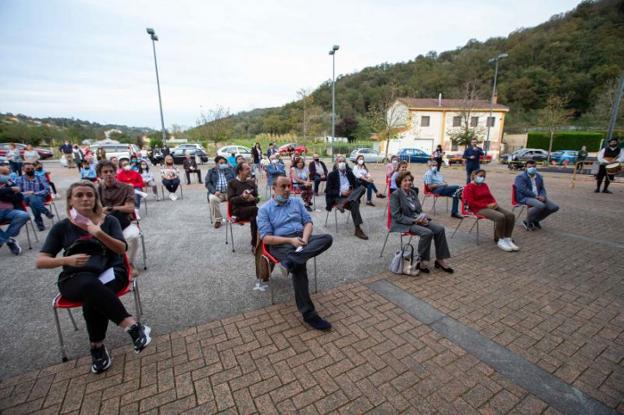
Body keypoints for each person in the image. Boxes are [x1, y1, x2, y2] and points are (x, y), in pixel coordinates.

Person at [36, 181, 151, 374]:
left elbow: (121, 249)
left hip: (112, 272)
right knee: (91, 287)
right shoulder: (62, 227)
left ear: (96, 199)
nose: (85, 199)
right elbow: (41, 261)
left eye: (89, 195)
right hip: (74, 278)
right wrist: (67, 259)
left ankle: (97, 348)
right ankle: (132, 327)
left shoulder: (109, 221)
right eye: (79, 195)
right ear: (70, 201)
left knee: (94, 292)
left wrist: (97, 232)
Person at [258, 175, 333, 331]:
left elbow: (308, 222)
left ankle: (291, 261)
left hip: (301, 238)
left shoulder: (297, 202)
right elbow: (266, 238)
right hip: (281, 243)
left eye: (289, 186)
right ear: (274, 188)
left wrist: (304, 239)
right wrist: (290, 241)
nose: (287, 190)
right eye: (283, 186)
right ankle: (309, 315)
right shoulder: (265, 209)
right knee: (300, 267)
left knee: (327, 238)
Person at [390, 170, 453, 273]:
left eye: (410, 180)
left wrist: (423, 217)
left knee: (440, 229)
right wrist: (415, 221)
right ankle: (422, 261)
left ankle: (440, 259)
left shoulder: (413, 192)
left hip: (418, 219)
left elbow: (419, 210)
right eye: (405, 180)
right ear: (400, 182)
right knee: (427, 233)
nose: (408, 182)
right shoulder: (395, 195)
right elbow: (397, 216)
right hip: (404, 223)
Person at [96, 161, 142, 276]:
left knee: (133, 236)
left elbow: (130, 208)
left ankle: (128, 263)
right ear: (100, 174)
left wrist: (111, 208)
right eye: (105, 172)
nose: (108, 174)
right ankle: (107, 264)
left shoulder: (127, 188)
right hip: (103, 224)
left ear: (115, 172)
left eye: (111, 171)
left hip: (124, 223)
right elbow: (96, 210)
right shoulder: (97, 190)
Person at [463, 170, 519, 252]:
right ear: (474, 175)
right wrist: (486, 205)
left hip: (490, 206)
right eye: (480, 176)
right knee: (500, 217)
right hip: (478, 209)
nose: (482, 178)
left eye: (484, 176)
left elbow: (490, 196)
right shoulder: (468, 187)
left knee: (510, 215)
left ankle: (507, 238)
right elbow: (471, 202)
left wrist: (494, 203)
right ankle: (500, 239)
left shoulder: (484, 185)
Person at [325, 155, 368, 240]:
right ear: (336, 164)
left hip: (349, 196)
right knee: (354, 203)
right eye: (339, 161)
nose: (342, 163)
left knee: (362, 188)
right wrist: (341, 193)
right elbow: (328, 191)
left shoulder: (349, 172)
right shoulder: (332, 175)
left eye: (343, 161)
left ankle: (345, 202)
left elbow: (356, 185)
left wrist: (353, 190)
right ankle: (358, 229)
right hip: (338, 197)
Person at [514, 160, 559, 230]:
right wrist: (536, 196)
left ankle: (535, 220)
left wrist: (543, 196)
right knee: (541, 205)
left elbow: (542, 188)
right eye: (529, 167)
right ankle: (527, 221)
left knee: (554, 207)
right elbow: (522, 190)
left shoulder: (539, 176)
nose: (532, 168)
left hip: (539, 197)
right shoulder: (520, 177)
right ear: (525, 167)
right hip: (525, 197)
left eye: (534, 167)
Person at [227, 162, 259, 250]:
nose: (250, 171)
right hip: (238, 210)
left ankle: (254, 243)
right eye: (247, 169)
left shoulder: (251, 183)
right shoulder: (232, 183)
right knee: (256, 211)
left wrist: (253, 199)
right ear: (240, 171)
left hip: (251, 211)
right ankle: (256, 243)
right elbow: (230, 200)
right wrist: (242, 197)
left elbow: (257, 198)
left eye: (249, 168)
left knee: (255, 217)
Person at [0, 166, 29, 255]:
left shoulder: (9, 182)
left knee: (24, 215)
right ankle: (9, 241)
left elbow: (20, 196)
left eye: (6, 174)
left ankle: (5, 239)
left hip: (10, 211)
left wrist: (5, 194)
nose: (5, 176)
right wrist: (11, 190)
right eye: (3, 174)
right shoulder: (11, 187)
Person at [16, 162, 53, 231]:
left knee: (33, 201)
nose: (30, 170)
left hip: (40, 197)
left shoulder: (40, 177)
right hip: (25, 199)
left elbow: (47, 189)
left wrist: (35, 193)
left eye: (32, 169)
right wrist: (27, 193)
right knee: (31, 198)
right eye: (28, 169)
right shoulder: (19, 179)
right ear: (23, 169)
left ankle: (40, 223)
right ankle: (45, 212)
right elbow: (18, 192)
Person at [205, 156, 235, 229]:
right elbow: (207, 183)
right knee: (212, 199)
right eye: (221, 163)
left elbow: (235, 180)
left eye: (224, 163)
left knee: (238, 196)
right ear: (216, 164)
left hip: (228, 192)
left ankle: (234, 216)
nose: (223, 164)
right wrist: (214, 191)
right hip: (217, 193)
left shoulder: (229, 170)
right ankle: (218, 220)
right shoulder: (211, 171)